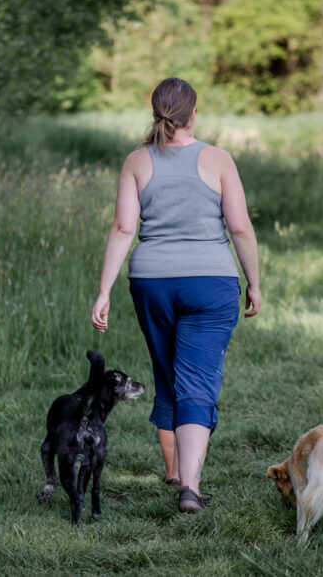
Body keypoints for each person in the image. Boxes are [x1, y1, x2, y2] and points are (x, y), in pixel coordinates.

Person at [90, 77, 262, 513]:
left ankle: (173, 471)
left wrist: (104, 290)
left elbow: (124, 229)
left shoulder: (136, 162)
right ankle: (190, 487)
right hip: (211, 282)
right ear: (194, 114)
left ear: (157, 114)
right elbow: (240, 228)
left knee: (168, 373)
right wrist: (254, 283)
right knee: (197, 381)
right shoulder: (219, 159)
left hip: (151, 282)